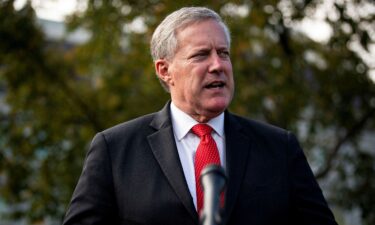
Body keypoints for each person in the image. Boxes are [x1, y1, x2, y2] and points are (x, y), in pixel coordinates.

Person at [63, 7, 338, 225]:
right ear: (164, 70)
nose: (218, 65)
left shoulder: (279, 148)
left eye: (223, 53)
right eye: (201, 55)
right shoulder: (115, 149)